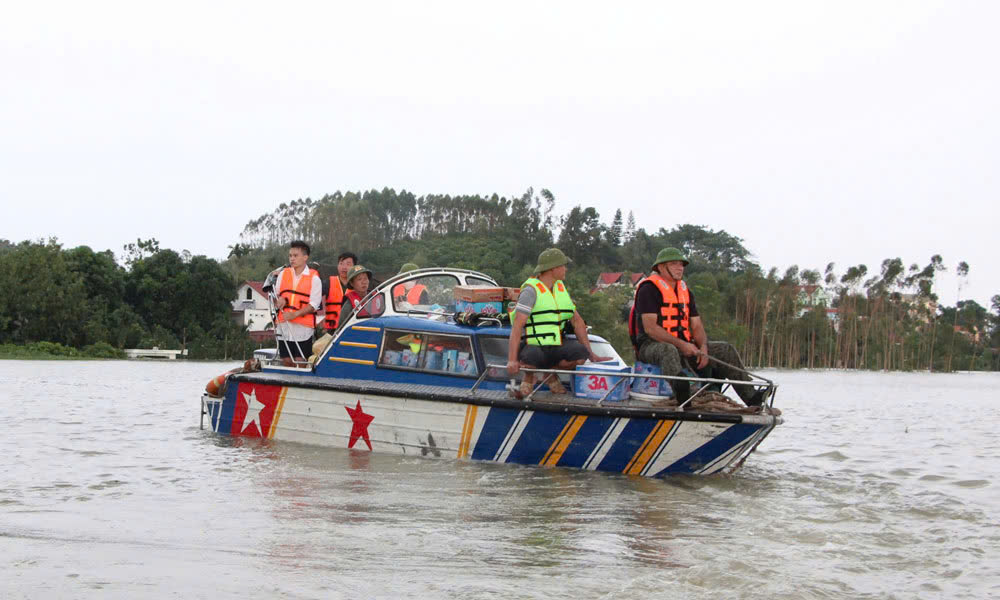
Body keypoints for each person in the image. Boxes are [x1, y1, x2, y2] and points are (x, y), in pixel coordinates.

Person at [629, 247, 765, 406]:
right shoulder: (648, 289)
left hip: (683, 344)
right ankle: (685, 396)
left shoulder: (685, 292)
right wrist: (682, 344)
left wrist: (703, 347)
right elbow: (651, 329)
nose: (679, 268)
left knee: (725, 349)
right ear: (660, 267)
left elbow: (696, 325)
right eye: (674, 264)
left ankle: (751, 397)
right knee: (668, 350)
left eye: (681, 264)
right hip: (651, 346)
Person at [507, 248, 609, 396]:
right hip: (534, 344)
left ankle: (548, 373)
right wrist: (512, 360)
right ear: (553, 268)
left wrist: (591, 354)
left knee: (581, 354)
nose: (565, 269)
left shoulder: (561, 289)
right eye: (563, 265)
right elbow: (517, 327)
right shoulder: (530, 291)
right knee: (532, 357)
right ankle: (529, 379)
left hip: (556, 345)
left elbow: (578, 322)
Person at [274, 240, 322, 365]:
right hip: (284, 325)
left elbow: (314, 304)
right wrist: (281, 299)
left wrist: (294, 315)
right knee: (286, 360)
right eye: (290, 256)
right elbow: (277, 295)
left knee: (300, 361)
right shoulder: (283, 274)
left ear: (305, 257)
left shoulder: (315, 278)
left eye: (295, 256)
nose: (292, 259)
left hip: (303, 328)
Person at [323, 251, 357, 332]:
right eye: (341, 264)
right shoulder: (328, 282)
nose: (344, 267)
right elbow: (318, 303)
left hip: (350, 328)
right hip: (330, 329)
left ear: (354, 267)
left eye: (348, 264)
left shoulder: (358, 286)